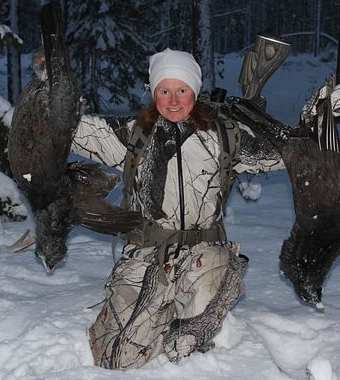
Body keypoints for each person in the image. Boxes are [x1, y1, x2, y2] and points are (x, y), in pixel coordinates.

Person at [68, 48, 283, 369]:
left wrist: (323, 120)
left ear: (194, 92)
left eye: (182, 90)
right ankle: (161, 307)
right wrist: (48, 94)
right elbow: (66, 131)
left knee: (184, 344)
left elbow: (286, 154)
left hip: (203, 252)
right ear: (153, 92)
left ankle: (219, 284)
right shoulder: (132, 134)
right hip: (145, 253)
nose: (173, 99)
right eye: (164, 90)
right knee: (115, 360)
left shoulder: (224, 135)